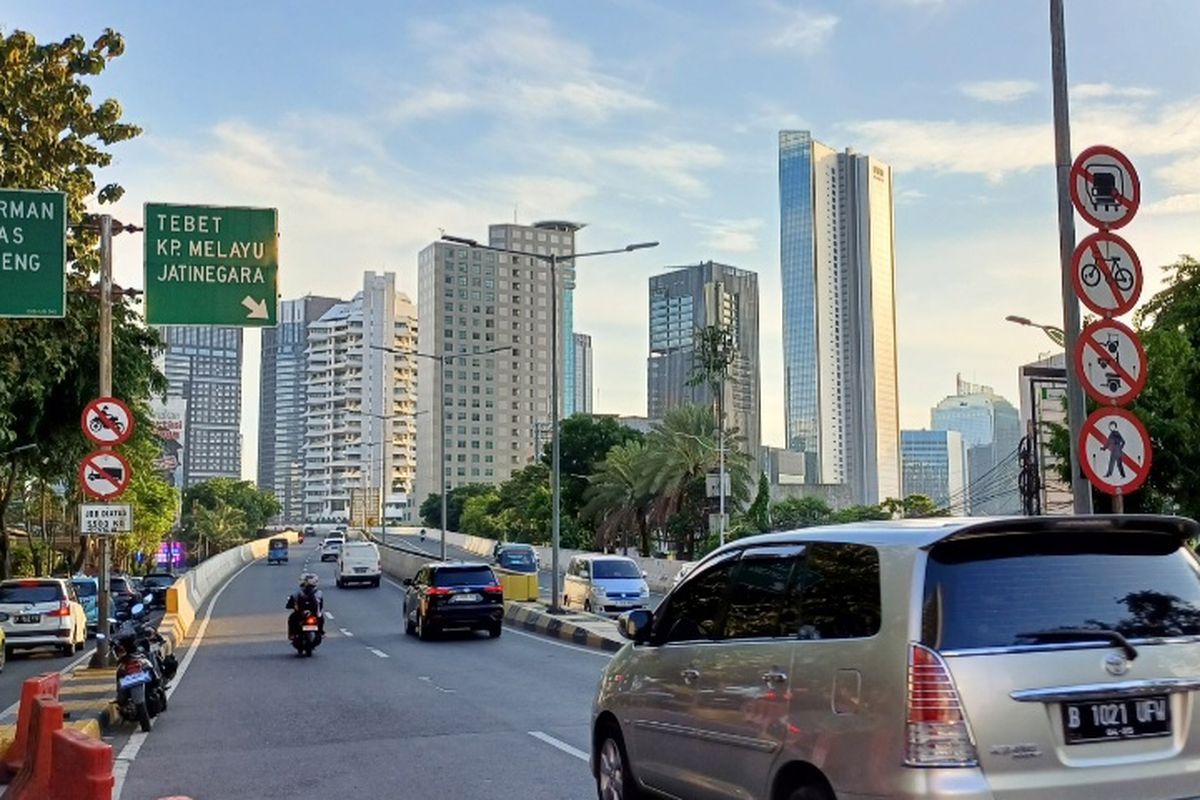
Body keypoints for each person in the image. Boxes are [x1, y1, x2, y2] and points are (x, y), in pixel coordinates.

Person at [286, 573, 325, 640]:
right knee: (292, 618)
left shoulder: (318, 593)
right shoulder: (299, 593)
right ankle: (293, 634)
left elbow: (320, 605)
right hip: (302, 613)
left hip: (311, 613)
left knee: (320, 618)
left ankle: (320, 632)